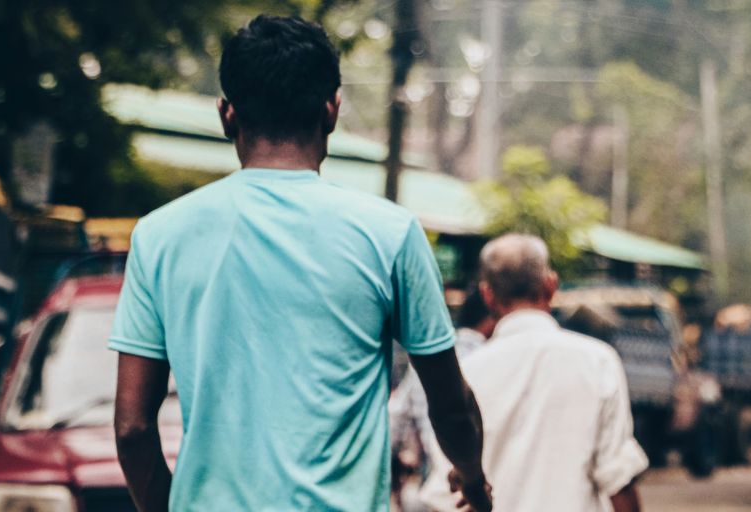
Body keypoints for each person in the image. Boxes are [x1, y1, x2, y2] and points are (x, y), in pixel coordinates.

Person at [109, 15, 491, 512]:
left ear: (227, 115)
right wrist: (473, 477)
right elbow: (450, 405)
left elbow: (133, 427)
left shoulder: (160, 235)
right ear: (331, 111)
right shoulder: (390, 234)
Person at [422, 233, 647, 512]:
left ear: (487, 295)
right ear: (551, 285)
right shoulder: (597, 361)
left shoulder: (466, 372)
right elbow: (618, 477)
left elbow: (446, 494)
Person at [390, 288, 496, 481]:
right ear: (490, 321)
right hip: (477, 477)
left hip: (432, 477)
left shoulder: (426, 362)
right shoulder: (490, 359)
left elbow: (395, 417)